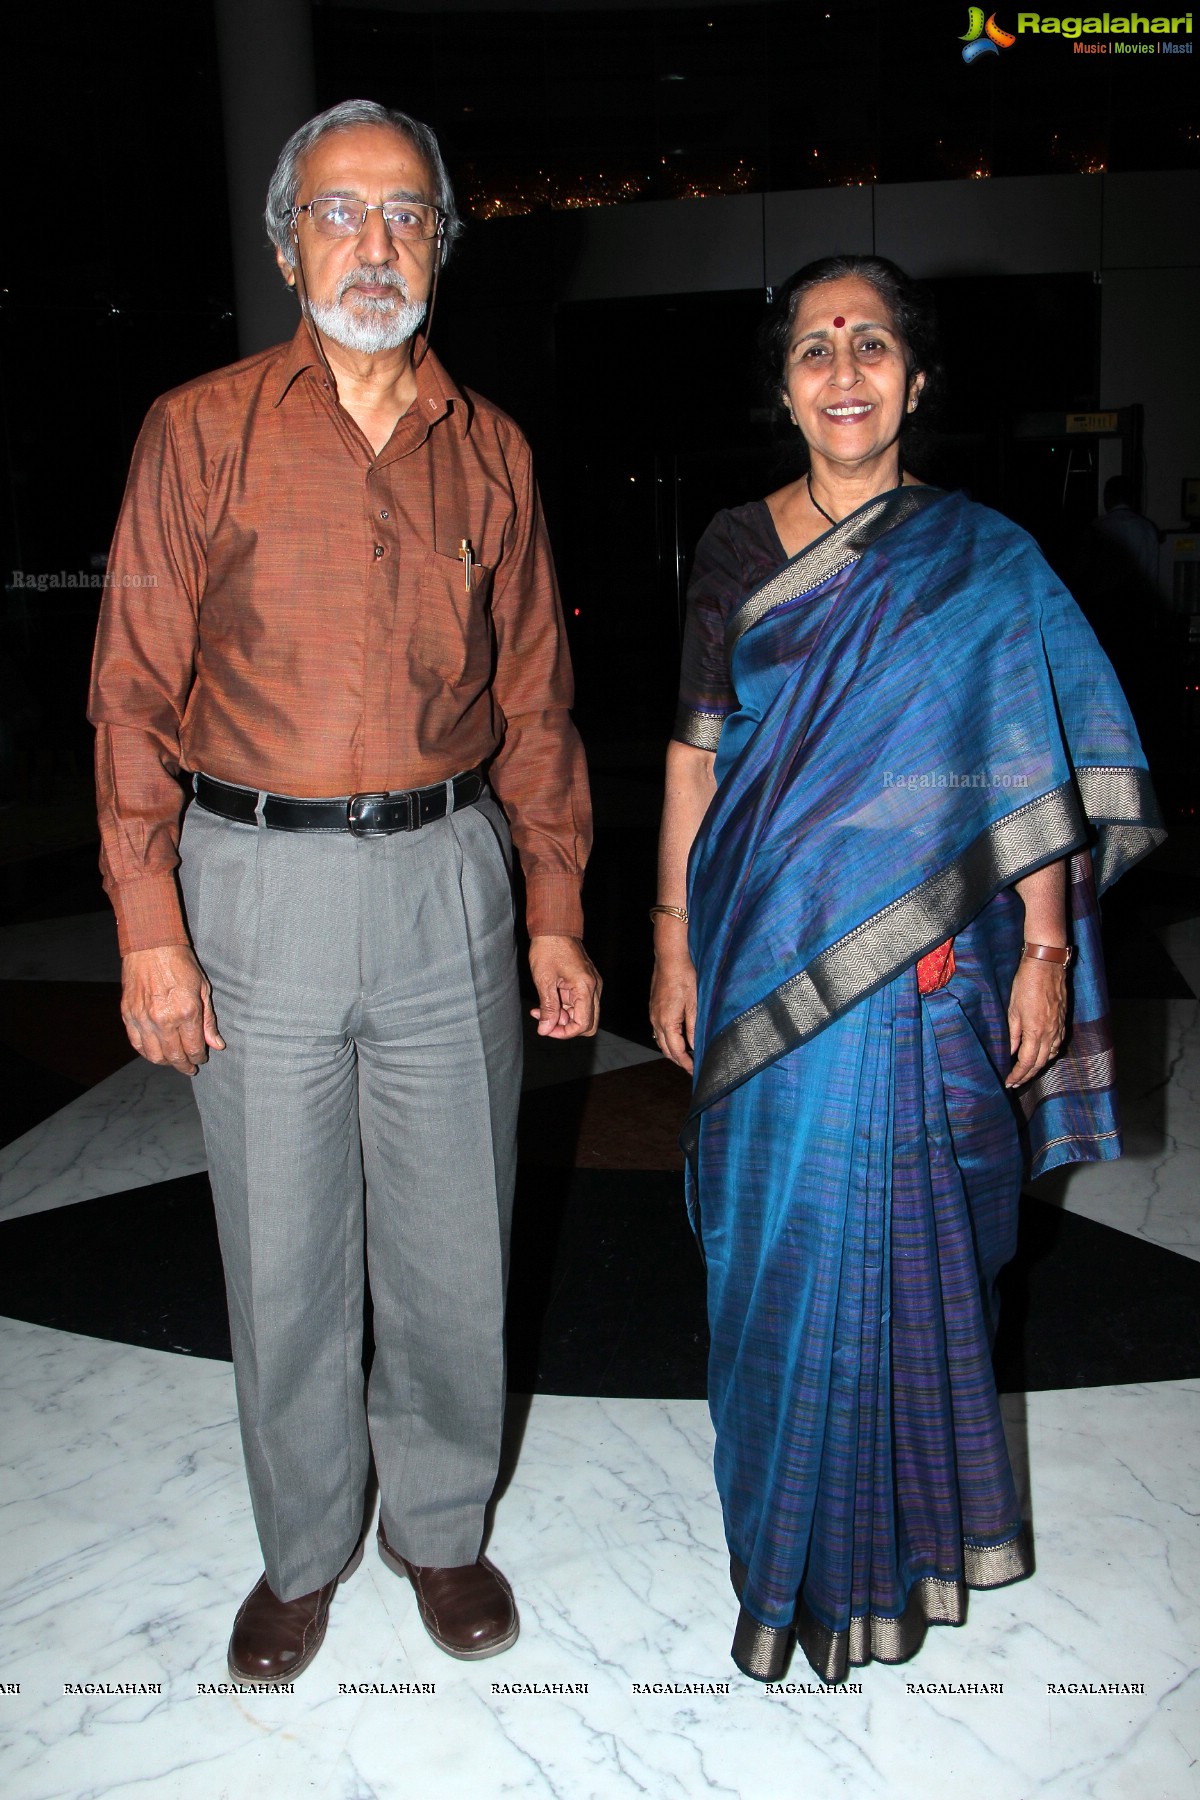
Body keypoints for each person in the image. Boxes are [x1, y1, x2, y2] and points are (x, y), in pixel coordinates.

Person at [89, 99, 600, 1685]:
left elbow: (535, 705)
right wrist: (153, 929)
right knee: (286, 1245)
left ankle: (439, 1529)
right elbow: (128, 699)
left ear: (442, 239)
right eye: (338, 213)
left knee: (459, 1234)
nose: (372, 244)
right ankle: (304, 1548)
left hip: (451, 876)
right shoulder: (198, 429)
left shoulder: (494, 448)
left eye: (402, 215)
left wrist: (560, 905)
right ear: (285, 237)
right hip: (255, 887)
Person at [649, 255, 1161, 1686]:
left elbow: (1034, 774)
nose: (846, 369)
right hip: (764, 971)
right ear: (786, 388)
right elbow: (696, 761)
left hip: (939, 974)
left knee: (930, 1255)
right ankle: (786, 1569)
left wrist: (1048, 951)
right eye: (815, 349)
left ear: (917, 380)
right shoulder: (736, 553)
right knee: (775, 1267)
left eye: (872, 343)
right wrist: (670, 942)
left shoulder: (987, 560)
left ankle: (906, 1555)